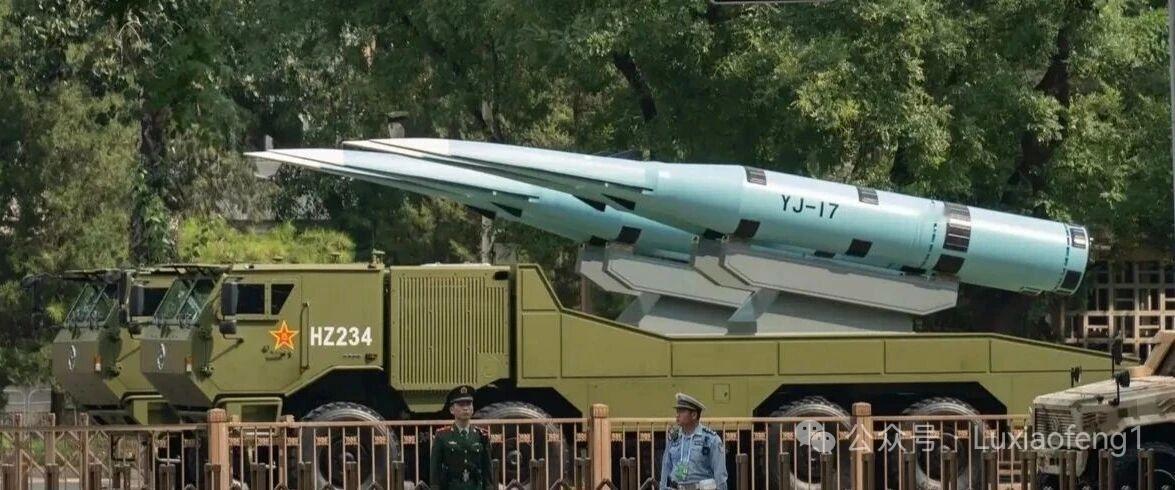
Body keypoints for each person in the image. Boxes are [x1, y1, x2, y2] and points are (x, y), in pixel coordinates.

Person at [430, 385, 493, 490]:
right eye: (461, 404)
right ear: (452, 410)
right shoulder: (442, 436)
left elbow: (487, 469)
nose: (465, 408)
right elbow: (435, 471)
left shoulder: (481, 436)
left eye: (468, 404)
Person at [660, 393, 727, 490]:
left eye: (682, 411)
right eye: (677, 411)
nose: (677, 415)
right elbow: (666, 468)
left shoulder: (711, 439)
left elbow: (720, 475)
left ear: (694, 415)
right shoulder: (674, 438)